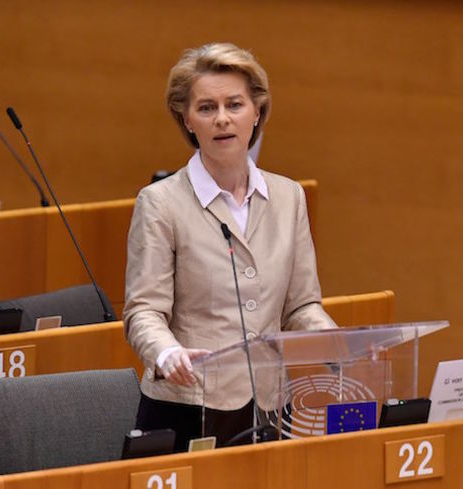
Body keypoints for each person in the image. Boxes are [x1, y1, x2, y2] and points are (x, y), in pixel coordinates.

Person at [123, 42, 337, 451]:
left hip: (271, 406)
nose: (222, 119)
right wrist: (167, 353)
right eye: (206, 108)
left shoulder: (288, 197)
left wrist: (336, 342)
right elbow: (143, 311)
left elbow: (301, 307)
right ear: (187, 120)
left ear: (257, 112)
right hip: (188, 406)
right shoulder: (160, 203)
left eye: (234, 104)